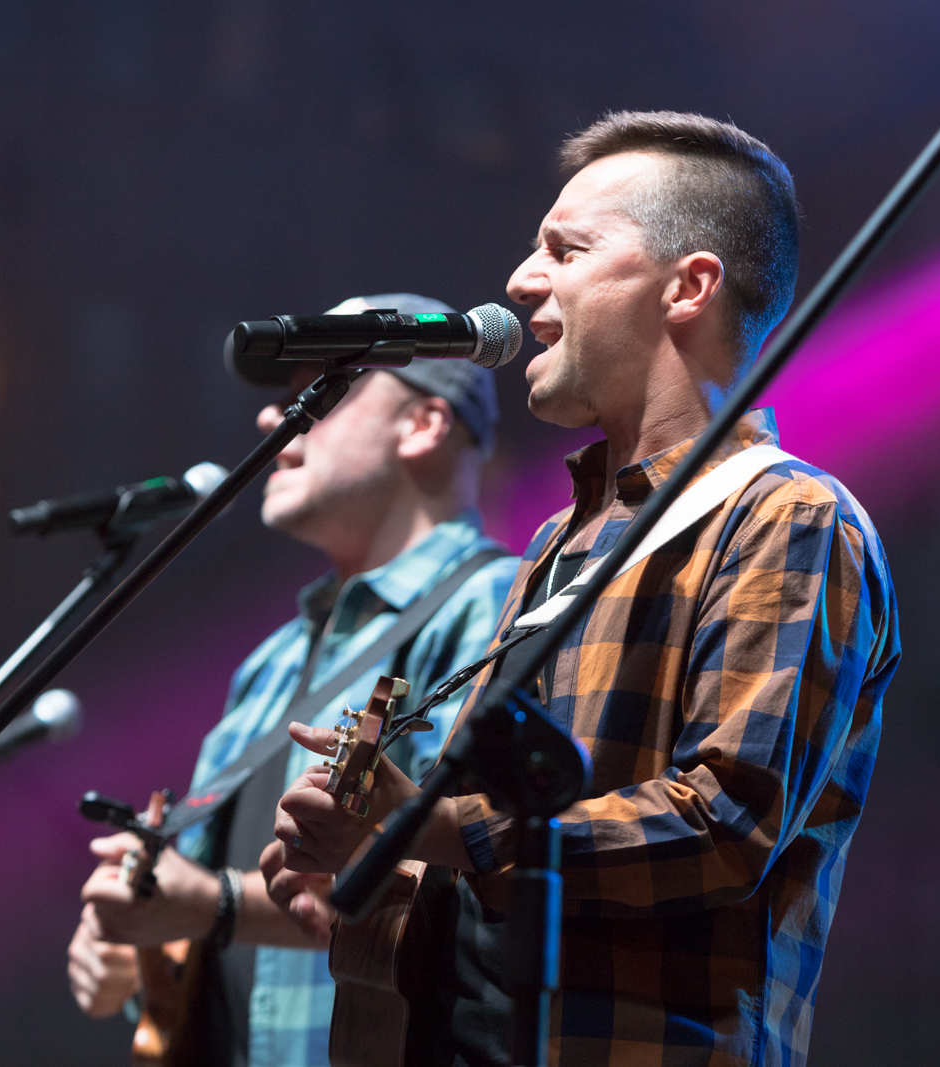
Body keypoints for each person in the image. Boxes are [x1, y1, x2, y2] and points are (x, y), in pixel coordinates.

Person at [265, 113, 901, 1066]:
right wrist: (377, 873)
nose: (522, 282)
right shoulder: (562, 539)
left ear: (689, 286)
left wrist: (429, 824)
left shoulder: (788, 518)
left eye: (565, 249)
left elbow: (724, 824)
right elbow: (502, 860)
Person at [65, 293, 520, 1067]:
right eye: (283, 398)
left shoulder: (498, 608)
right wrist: (144, 944)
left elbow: (461, 882)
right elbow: (207, 916)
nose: (275, 420)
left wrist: (212, 905)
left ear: (424, 423)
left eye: (325, 391)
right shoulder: (271, 660)